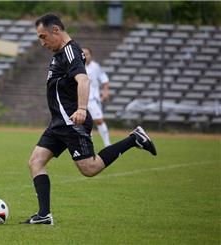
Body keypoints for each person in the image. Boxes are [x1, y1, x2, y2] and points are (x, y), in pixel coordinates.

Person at [21, 13, 157, 225]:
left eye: (43, 36)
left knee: (90, 168)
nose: (42, 42)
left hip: (72, 121)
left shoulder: (70, 51)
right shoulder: (59, 54)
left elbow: (83, 80)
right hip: (58, 122)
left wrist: (82, 108)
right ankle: (44, 215)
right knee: (36, 162)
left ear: (56, 30)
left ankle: (134, 139)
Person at [83, 47, 111, 147]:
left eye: (87, 54)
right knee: (84, 122)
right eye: (83, 54)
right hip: (80, 99)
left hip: (93, 99)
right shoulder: (77, 66)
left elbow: (105, 80)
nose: (85, 56)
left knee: (98, 120)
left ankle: (107, 144)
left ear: (91, 55)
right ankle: (88, 145)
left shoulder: (96, 67)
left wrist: (105, 93)